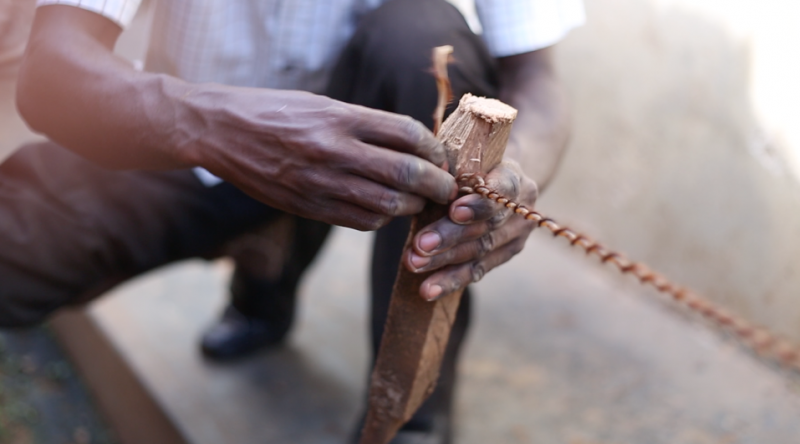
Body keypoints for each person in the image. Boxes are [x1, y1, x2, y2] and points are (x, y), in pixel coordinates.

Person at [0, 0, 584, 442]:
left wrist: (515, 175)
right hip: (184, 147)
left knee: (424, 40)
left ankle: (413, 416)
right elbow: (52, 69)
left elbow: (537, 80)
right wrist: (209, 128)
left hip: (368, 162)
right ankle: (263, 276)